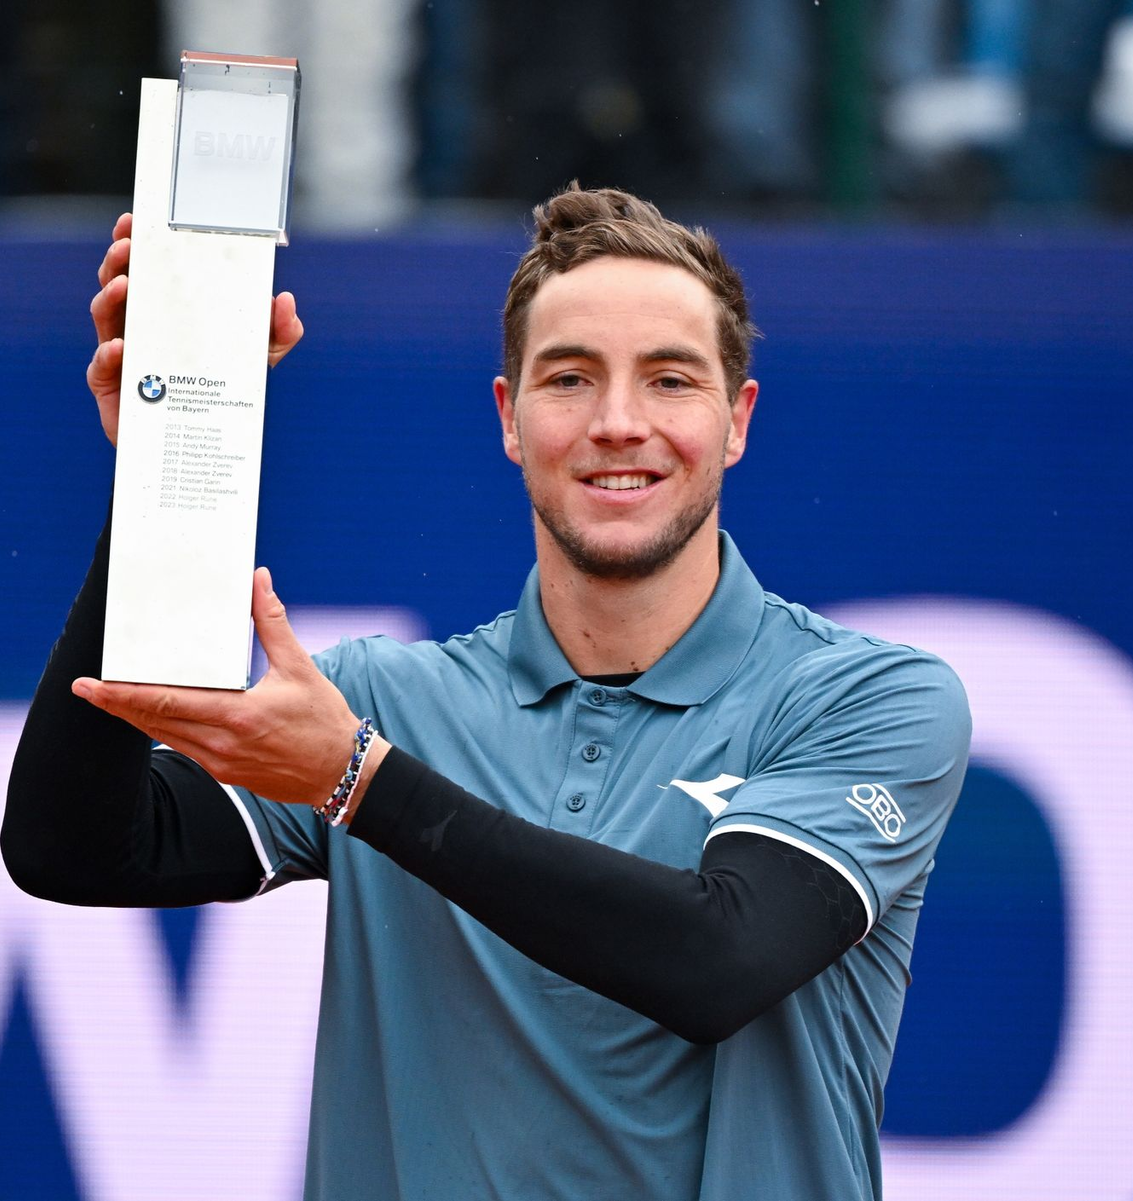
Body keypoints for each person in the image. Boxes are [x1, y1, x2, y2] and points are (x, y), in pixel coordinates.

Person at [3, 185, 971, 1201]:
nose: (618, 422)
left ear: (737, 419)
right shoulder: (379, 699)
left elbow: (718, 958)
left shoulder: (869, 700)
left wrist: (360, 782)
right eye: (570, 378)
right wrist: (166, 471)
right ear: (511, 418)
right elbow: (72, 846)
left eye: (671, 379)